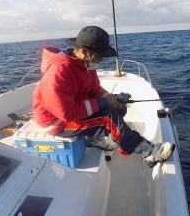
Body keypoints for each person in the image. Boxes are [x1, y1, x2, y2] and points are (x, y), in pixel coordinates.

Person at [33, 25, 175, 168]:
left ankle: (105, 141)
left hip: (74, 109)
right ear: (84, 52)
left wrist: (112, 98)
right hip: (58, 122)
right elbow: (68, 113)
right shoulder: (59, 73)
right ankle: (148, 153)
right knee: (109, 119)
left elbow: (94, 88)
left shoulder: (85, 64)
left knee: (119, 109)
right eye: (98, 56)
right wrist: (103, 102)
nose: (100, 60)